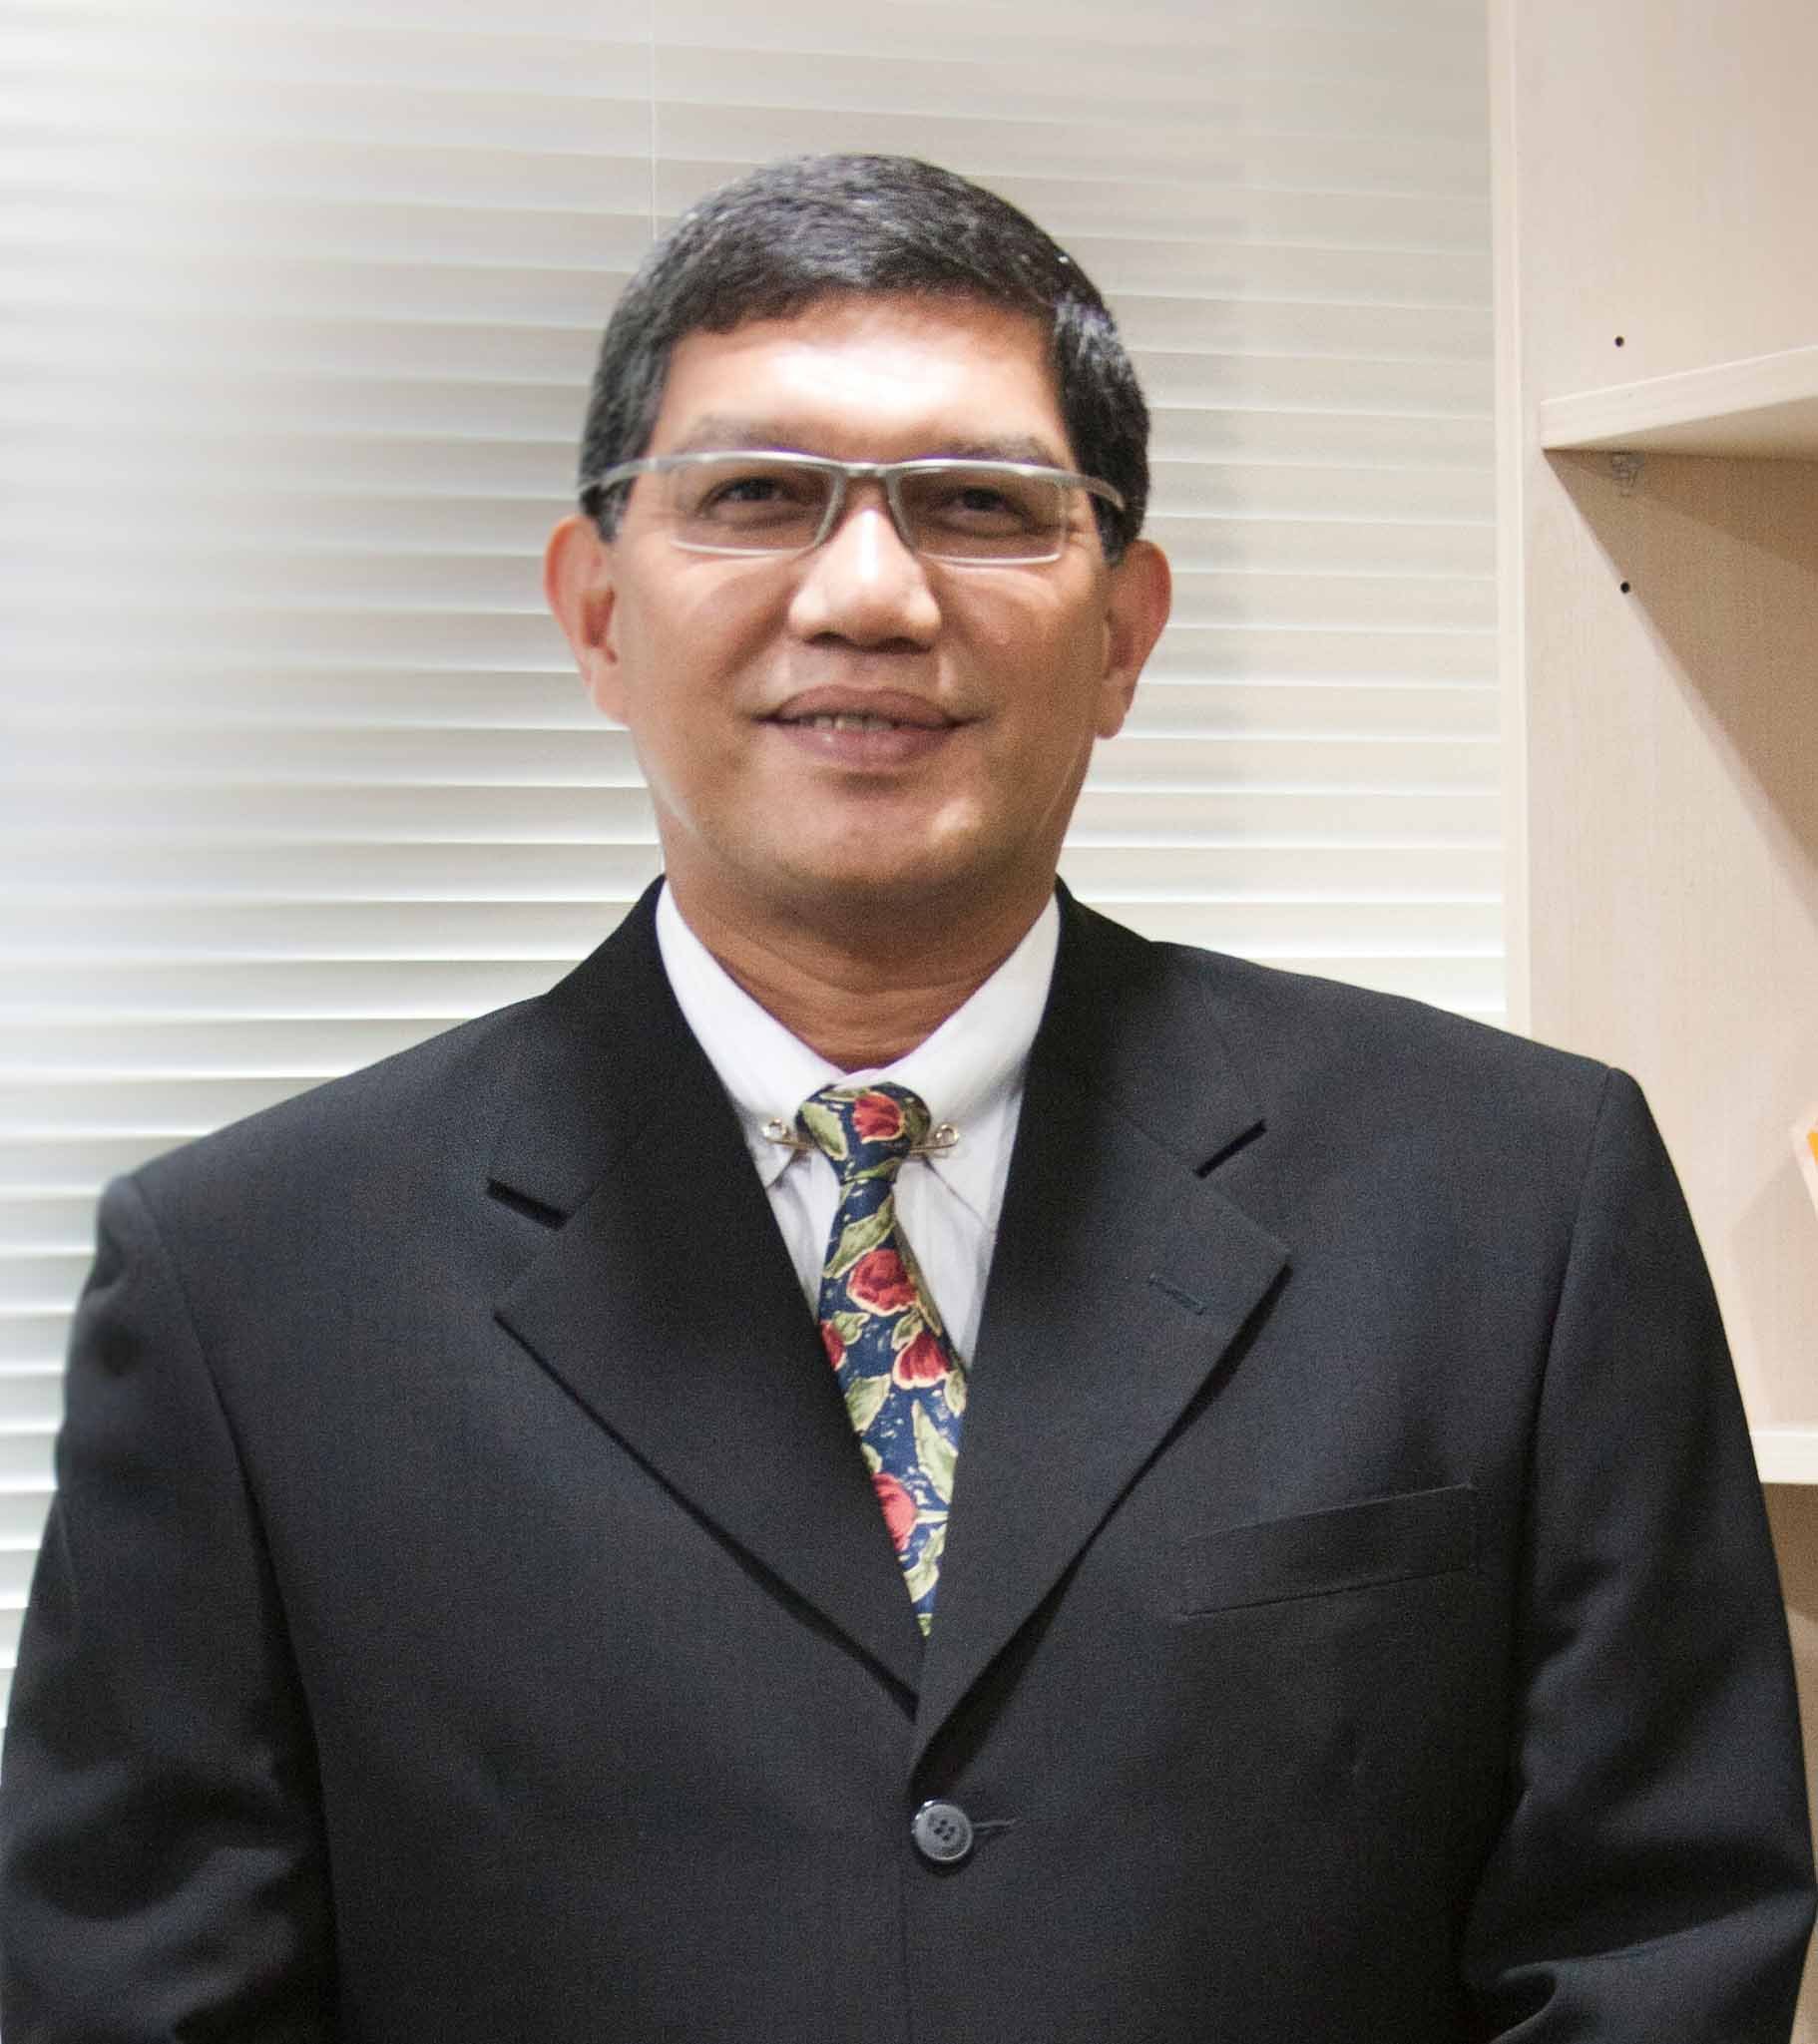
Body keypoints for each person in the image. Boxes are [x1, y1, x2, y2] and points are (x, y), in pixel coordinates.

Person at [0, 152, 1811, 2042]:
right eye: (760, 496)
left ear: (1121, 632)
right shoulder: (249, 1285)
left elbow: (1653, 1945)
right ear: (596, 610)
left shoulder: (1516, 1199)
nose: (868, 595)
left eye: (977, 506)